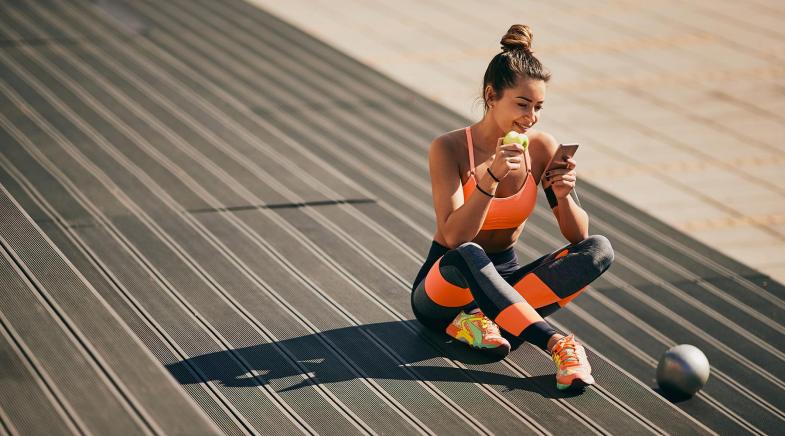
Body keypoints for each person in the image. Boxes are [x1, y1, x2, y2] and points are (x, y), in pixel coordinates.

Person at [410, 24, 614, 391]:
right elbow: (455, 236)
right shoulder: (450, 148)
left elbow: (578, 237)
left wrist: (564, 194)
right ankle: (557, 344)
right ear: (491, 96)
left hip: (506, 281)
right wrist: (490, 177)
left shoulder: (540, 147)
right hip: (445, 291)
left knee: (600, 248)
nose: (530, 118)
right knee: (470, 252)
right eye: (521, 105)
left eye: (538, 107)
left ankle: (488, 318)